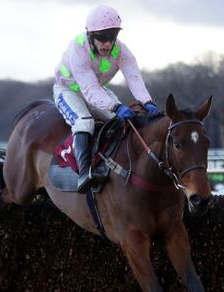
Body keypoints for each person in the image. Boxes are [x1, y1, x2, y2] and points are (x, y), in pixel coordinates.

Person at [54, 4, 161, 193]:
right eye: (102, 38)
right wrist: (115, 106)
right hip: (68, 92)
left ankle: (110, 165)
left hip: (97, 90)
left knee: (120, 123)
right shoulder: (77, 48)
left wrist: (147, 102)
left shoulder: (121, 50)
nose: (107, 44)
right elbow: (88, 89)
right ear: (90, 35)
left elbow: (134, 77)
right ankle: (83, 174)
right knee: (84, 122)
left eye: (112, 37)